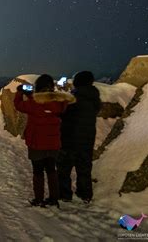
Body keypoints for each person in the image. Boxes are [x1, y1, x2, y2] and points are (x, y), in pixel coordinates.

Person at [14, 74, 75, 207]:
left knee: (38, 172)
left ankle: (39, 199)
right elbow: (45, 103)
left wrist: (20, 92)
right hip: (53, 144)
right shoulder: (59, 103)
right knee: (51, 171)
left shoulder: (33, 103)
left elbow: (19, 105)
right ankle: (54, 199)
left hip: (36, 144)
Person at [57, 71, 101, 203]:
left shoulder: (72, 99)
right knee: (84, 167)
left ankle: (65, 194)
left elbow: (62, 114)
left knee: (64, 167)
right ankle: (85, 193)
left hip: (69, 138)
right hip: (87, 138)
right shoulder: (94, 99)